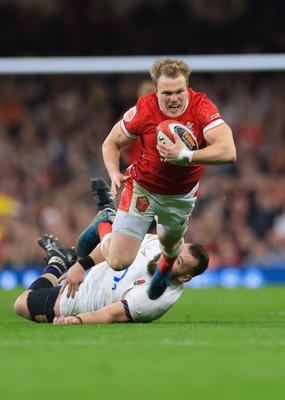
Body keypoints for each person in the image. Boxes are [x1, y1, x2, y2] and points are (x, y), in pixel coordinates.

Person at [77, 57, 236, 300]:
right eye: (167, 93)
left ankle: (165, 267)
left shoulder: (202, 107)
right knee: (119, 261)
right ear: (156, 91)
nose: (174, 98)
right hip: (143, 188)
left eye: (180, 91)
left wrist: (186, 155)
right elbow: (111, 142)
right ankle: (104, 222)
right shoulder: (144, 109)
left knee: (171, 242)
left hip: (180, 196)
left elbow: (229, 151)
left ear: (187, 88)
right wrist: (113, 172)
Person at [13, 230, 209, 325]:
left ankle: (57, 262)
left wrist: (76, 320)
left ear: (184, 278)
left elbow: (108, 315)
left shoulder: (155, 298)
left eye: (179, 262)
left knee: (21, 304)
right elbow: (115, 245)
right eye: (176, 251)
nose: (171, 256)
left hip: (82, 300)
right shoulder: (162, 243)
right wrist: (82, 265)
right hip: (90, 278)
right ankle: (59, 261)